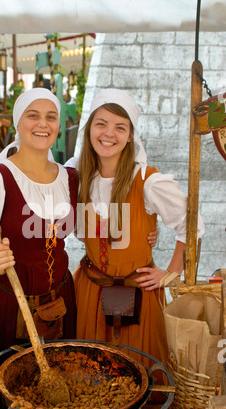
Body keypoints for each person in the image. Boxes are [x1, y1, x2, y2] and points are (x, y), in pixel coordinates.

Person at [67, 88, 204, 372]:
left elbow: (191, 225)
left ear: (130, 136)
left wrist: (171, 273)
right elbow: (34, 181)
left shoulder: (147, 180)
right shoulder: (76, 174)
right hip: (91, 290)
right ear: (89, 128)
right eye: (101, 123)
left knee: (138, 375)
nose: (108, 133)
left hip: (138, 293)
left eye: (120, 127)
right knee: (89, 378)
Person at [0, 88, 79, 355]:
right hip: (13, 308)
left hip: (63, 302)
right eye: (33, 116)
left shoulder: (69, 177)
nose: (43, 124)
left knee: (66, 379)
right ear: (18, 123)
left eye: (51, 117)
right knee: (13, 387)